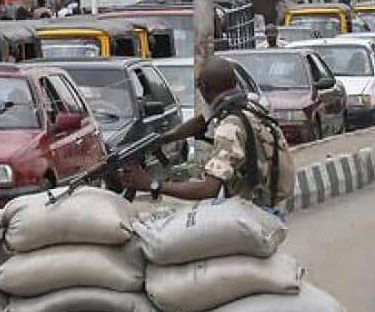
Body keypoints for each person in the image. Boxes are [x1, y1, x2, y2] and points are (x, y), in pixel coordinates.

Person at [119, 57, 294, 213]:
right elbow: (203, 123)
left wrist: (152, 184)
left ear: (205, 88)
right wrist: (165, 139)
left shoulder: (230, 126)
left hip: (254, 213)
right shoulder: (251, 107)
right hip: (270, 206)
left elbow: (208, 189)